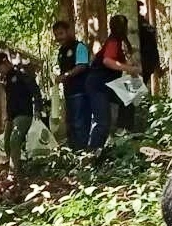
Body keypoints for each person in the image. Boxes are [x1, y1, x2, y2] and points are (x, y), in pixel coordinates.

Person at [87, 14, 142, 151]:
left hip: (108, 85)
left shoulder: (120, 43)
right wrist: (128, 68)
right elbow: (107, 61)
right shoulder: (113, 41)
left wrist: (133, 68)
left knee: (132, 91)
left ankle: (123, 129)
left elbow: (123, 62)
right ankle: (93, 152)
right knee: (102, 122)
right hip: (98, 85)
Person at [0, 53, 44, 173]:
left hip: (24, 113)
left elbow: (35, 90)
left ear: (5, 63)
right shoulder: (6, 79)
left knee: (14, 140)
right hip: (12, 115)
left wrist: (37, 108)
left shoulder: (21, 72)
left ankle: (14, 172)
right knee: (6, 143)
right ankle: (19, 167)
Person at [54, 19, 93, 150]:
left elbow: (82, 65)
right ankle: (74, 152)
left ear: (68, 32)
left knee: (80, 123)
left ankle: (83, 151)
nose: (59, 37)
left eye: (61, 33)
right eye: (57, 35)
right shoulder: (61, 52)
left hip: (81, 92)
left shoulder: (79, 47)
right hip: (68, 93)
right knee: (70, 123)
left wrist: (66, 75)